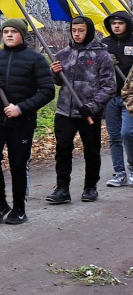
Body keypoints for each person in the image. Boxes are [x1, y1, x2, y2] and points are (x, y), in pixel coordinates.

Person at [0, 18, 54, 225]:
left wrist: (21, 108)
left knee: (18, 164)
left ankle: (19, 208)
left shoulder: (35, 59)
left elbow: (47, 91)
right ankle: (0, 203)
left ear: (22, 34)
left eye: (13, 31)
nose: (9, 35)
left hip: (22, 122)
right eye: (5, 31)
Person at [46, 17, 115, 205]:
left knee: (91, 151)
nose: (76, 34)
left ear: (89, 31)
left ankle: (90, 187)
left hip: (89, 113)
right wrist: (54, 72)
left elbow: (109, 86)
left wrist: (92, 106)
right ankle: (62, 189)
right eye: (74, 30)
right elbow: (59, 82)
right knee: (62, 150)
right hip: (64, 111)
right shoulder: (63, 54)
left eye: (81, 30)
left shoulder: (101, 55)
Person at [101, 10, 133, 186]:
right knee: (113, 136)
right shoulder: (103, 44)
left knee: (127, 133)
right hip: (110, 96)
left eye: (120, 23)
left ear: (127, 24)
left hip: (129, 96)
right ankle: (119, 172)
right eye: (113, 23)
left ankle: (132, 169)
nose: (117, 26)